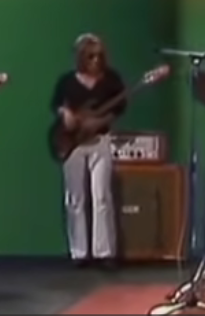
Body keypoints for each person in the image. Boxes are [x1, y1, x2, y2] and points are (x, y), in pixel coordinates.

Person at [50, 34, 126, 269]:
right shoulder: (67, 81)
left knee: (102, 195)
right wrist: (66, 113)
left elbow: (119, 107)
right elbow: (56, 104)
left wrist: (100, 121)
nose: (96, 60)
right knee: (75, 198)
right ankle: (79, 252)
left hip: (100, 140)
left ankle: (105, 252)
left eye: (99, 56)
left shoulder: (111, 80)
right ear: (81, 57)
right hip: (73, 143)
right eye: (90, 56)